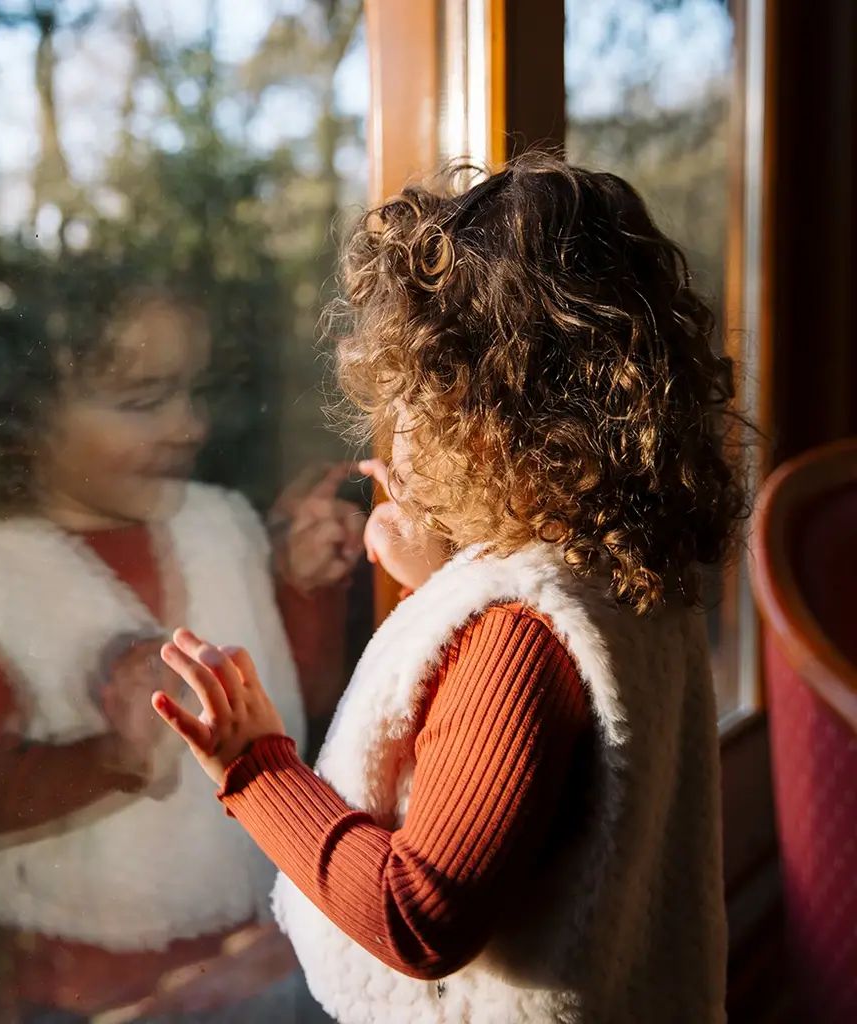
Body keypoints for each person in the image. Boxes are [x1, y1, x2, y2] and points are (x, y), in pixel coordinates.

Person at [151, 154, 748, 1024]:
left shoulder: (519, 638)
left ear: (485, 427)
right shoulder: (633, 571)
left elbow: (417, 913)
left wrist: (255, 767)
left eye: (412, 407)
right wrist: (445, 571)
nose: (394, 441)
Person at [0, 277, 362, 1022]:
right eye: (145, 400)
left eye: (192, 392)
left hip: (268, 952)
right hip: (84, 990)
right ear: (22, 420)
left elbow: (299, 701)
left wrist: (305, 586)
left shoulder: (221, 524)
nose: (189, 426)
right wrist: (111, 757)